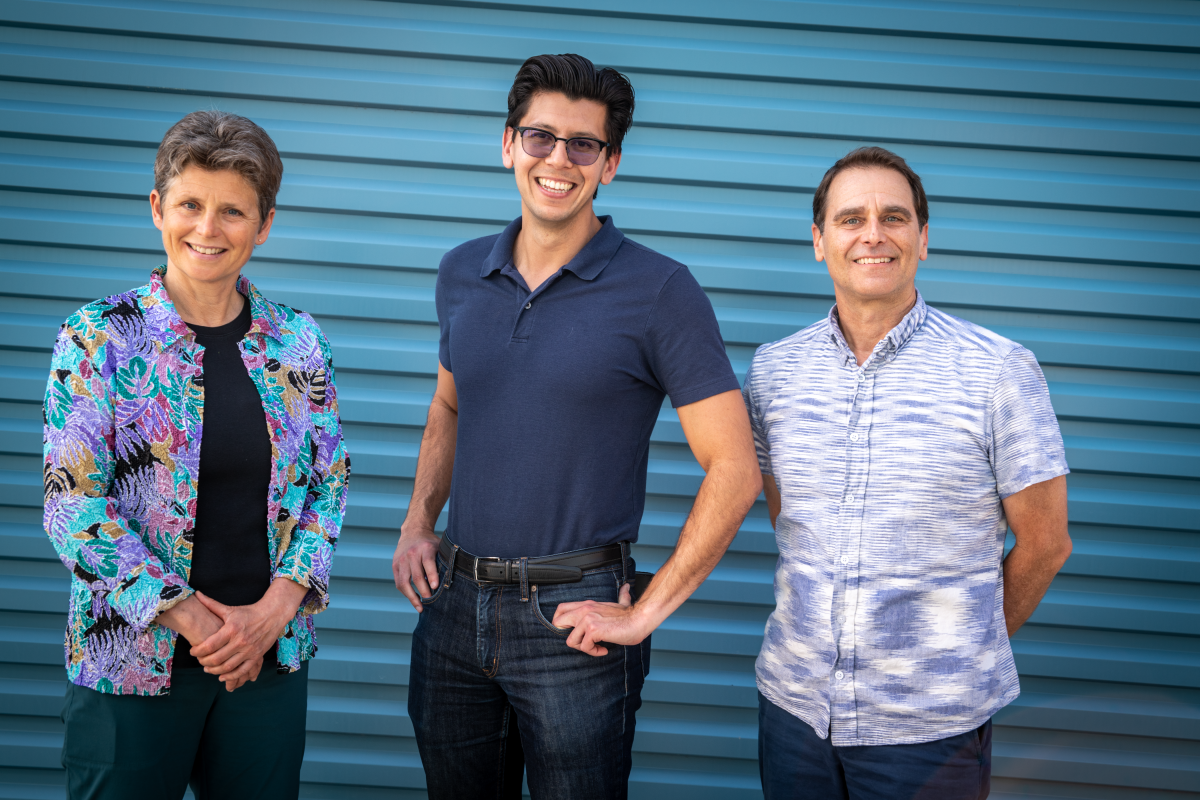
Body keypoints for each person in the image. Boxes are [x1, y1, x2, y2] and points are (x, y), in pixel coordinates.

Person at [391, 53, 762, 800]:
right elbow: (451, 406)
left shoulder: (660, 290)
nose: (558, 159)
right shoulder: (461, 271)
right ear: (508, 145)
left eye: (582, 144)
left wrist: (647, 612)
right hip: (455, 606)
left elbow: (736, 468)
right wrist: (416, 521)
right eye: (539, 137)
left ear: (610, 163)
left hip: (577, 619)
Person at [744, 146, 1072, 800]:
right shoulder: (773, 372)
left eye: (894, 217)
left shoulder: (998, 371)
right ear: (818, 241)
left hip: (932, 729)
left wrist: (956, 651)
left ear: (923, 239)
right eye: (850, 219)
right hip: (794, 712)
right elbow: (792, 519)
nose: (873, 234)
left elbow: (1046, 543)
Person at [41, 110, 349, 800]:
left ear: (264, 223)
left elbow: (328, 483)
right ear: (158, 208)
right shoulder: (98, 337)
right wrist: (197, 621)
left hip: (265, 668)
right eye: (190, 205)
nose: (207, 229)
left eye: (233, 211)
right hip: (130, 670)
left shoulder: (299, 343)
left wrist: (274, 612)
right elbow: (73, 506)